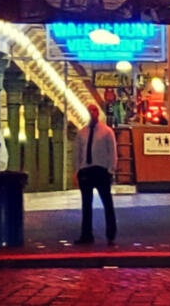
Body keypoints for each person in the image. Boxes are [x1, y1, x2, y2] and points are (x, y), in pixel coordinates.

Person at [73, 102, 117, 245]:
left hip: (101, 170)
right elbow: (78, 153)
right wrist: (77, 170)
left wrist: (110, 170)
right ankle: (86, 234)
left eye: (94, 111)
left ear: (97, 113)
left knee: (107, 203)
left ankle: (111, 233)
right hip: (86, 170)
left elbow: (112, 153)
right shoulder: (82, 133)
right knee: (86, 204)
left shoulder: (107, 132)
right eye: (89, 111)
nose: (92, 114)